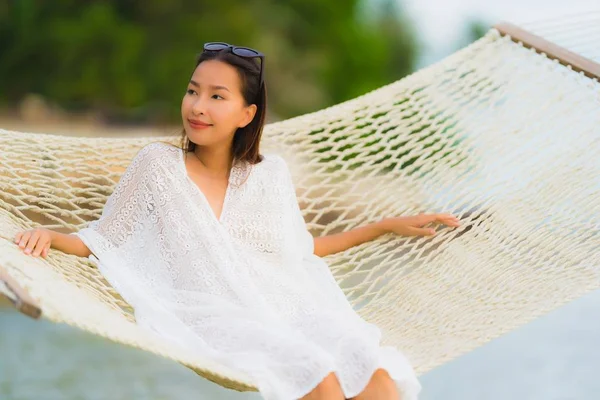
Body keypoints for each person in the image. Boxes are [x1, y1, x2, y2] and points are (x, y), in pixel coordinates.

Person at [14, 42, 460, 400]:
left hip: (285, 306)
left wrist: (381, 227)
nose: (197, 106)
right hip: (210, 313)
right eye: (193, 91)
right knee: (313, 371)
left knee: (366, 360)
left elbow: (297, 251)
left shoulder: (268, 176)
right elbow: (104, 239)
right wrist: (49, 236)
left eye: (216, 96)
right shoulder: (157, 166)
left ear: (247, 114)